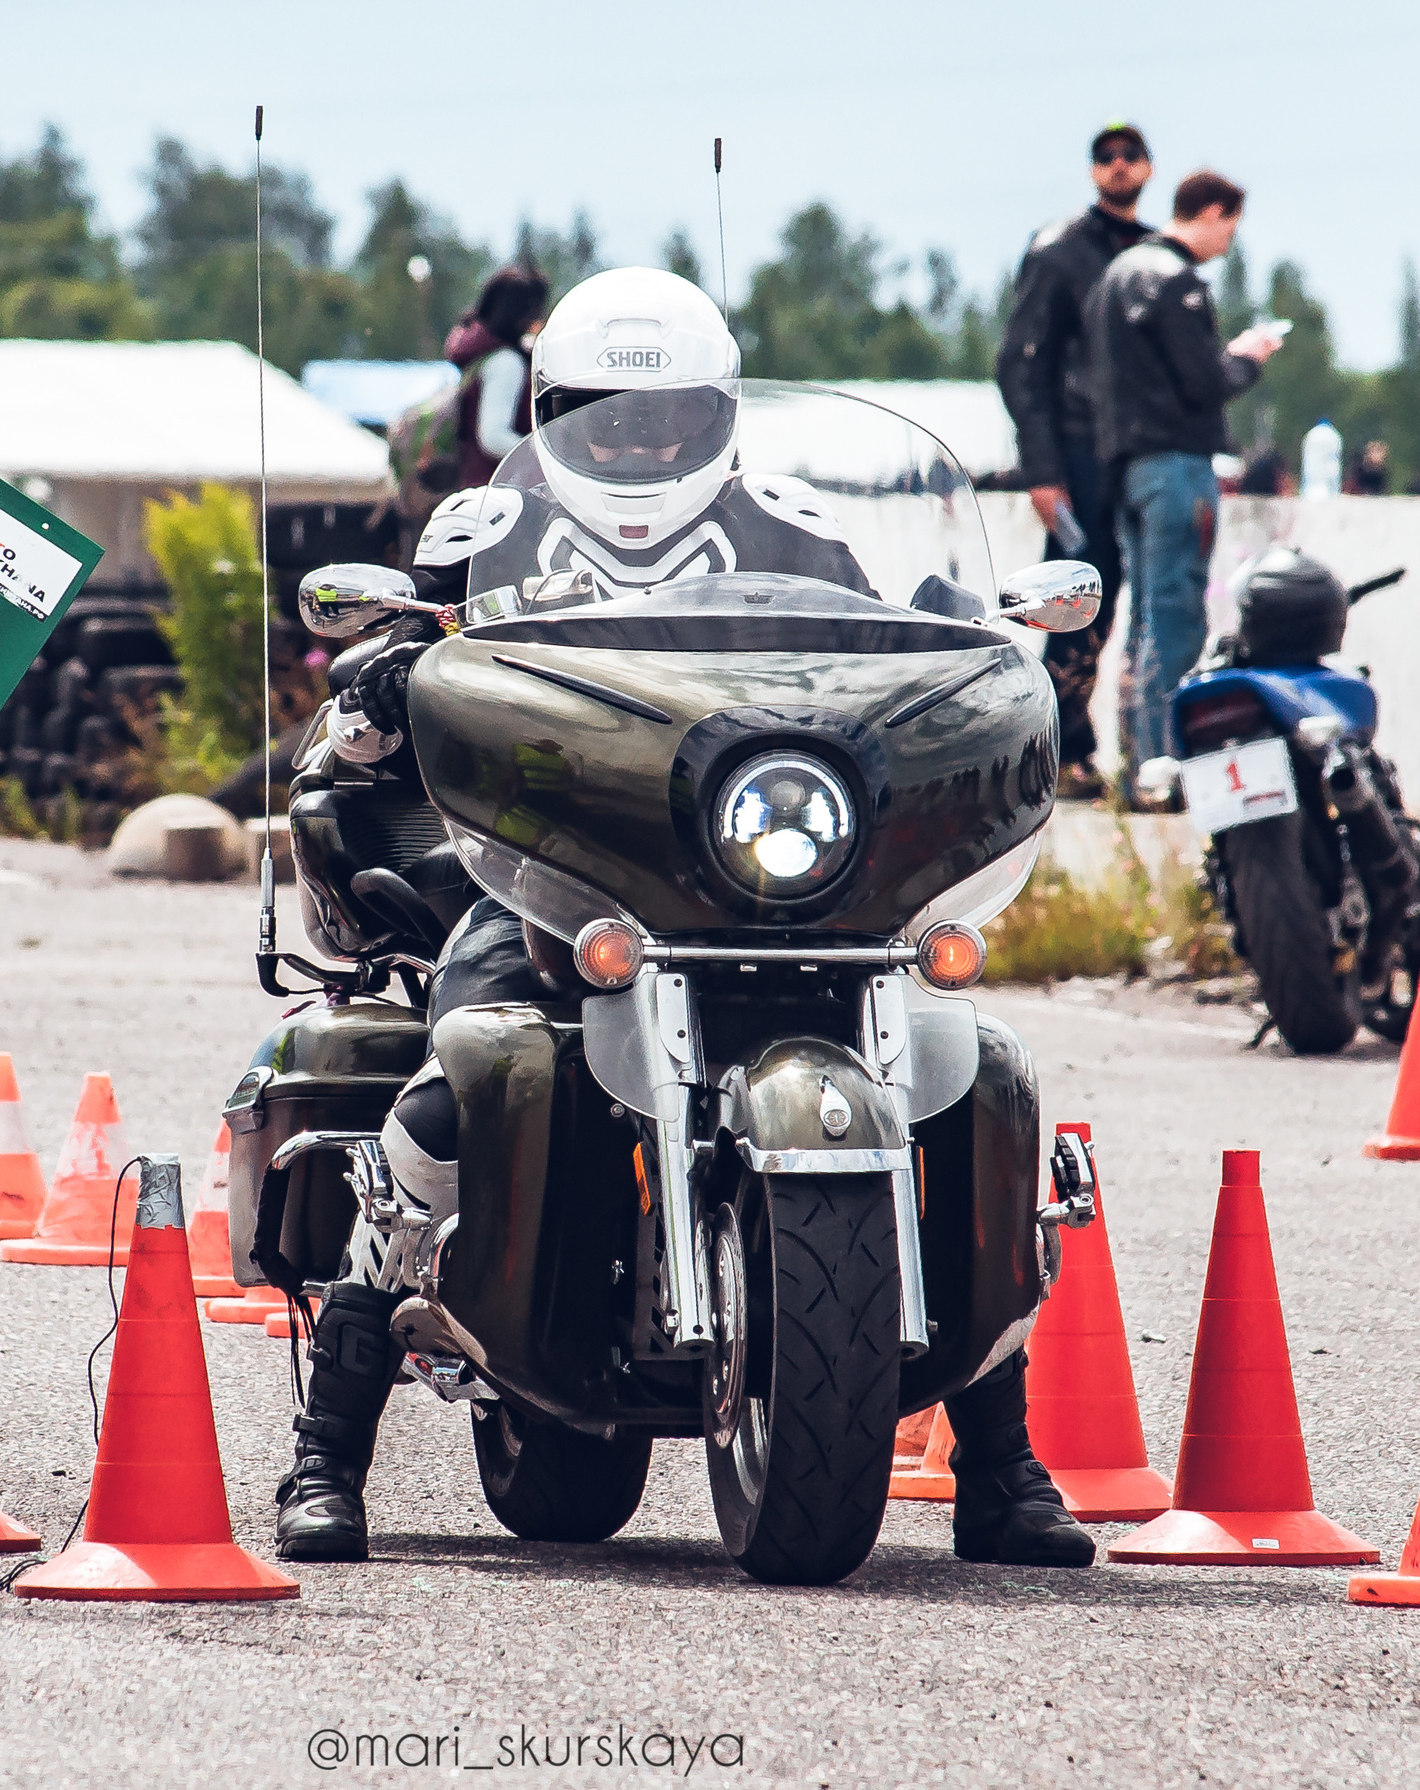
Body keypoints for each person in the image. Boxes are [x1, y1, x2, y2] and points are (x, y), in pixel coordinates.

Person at [276, 266, 1097, 1573]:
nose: (644, 445)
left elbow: (893, 657)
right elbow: (404, 678)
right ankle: (329, 1449)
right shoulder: (486, 531)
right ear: (556, 412)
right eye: (613, 417)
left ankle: (1002, 1463)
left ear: (718, 415)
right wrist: (377, 682)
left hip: (777, 878)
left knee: (964, 1079)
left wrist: (986, 645)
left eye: (670, 419)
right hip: (547, 883)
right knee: (454, 1080)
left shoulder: (802, 531)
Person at [1087, 170, 1284, 773]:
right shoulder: (1177, 282)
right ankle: (1169, 760)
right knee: (1175, 616)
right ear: (1212, 212)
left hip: (1125, 467)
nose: (1229, 243)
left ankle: (1141, 760)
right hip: (1176, 467)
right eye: (1230, 226)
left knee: (1144, 617)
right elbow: (1203, 381)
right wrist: (1246, 361)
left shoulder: (1115, 275)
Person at [994, 122, 1158, 800]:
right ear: (1094, 171)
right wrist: (1041, 468)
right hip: (1076, 451)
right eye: (1106, 158)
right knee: (1072, 596)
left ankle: (1085, 744)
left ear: (1147, 168)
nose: (1118, 167)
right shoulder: (1059, 250)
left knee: (1118, 597)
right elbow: (1019, 364)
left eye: (1129, 157)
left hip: (1137, 452)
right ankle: (1053, 748)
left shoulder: (1154, 254)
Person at [443, 264, 550, 494]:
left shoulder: (484, 356)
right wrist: (548, 455)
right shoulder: (506, 362)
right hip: (497, 496)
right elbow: (493, 437)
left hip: (474, 489)